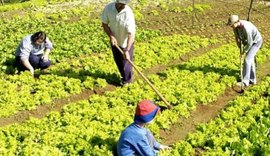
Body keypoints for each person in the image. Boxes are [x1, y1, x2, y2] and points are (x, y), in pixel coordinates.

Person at [101, 0, 135, 86]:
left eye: (124, 4)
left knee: (126, 63)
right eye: (121, 4)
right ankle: (124, 78)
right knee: (118, 61)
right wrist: (111, 36)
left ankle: (127, 82)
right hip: (115, 41)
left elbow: (131, 34)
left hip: (126, 42)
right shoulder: (109, 8)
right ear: (117, 1)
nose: (122, 6)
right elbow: (104, 24)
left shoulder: (128, 13)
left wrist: (127, 50)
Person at [227, 15, 263, 87]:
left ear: (236, 22)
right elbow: (237, 38)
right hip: (249, 42)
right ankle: (252, 80)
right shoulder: (235, 28)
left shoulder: (247, 28)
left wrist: (243, 52)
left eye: (231, 24)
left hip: (256, 42)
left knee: (247, 60)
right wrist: (239, 47)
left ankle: (245, 82)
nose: (231, 26)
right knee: (250, 60)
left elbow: (250, 42)